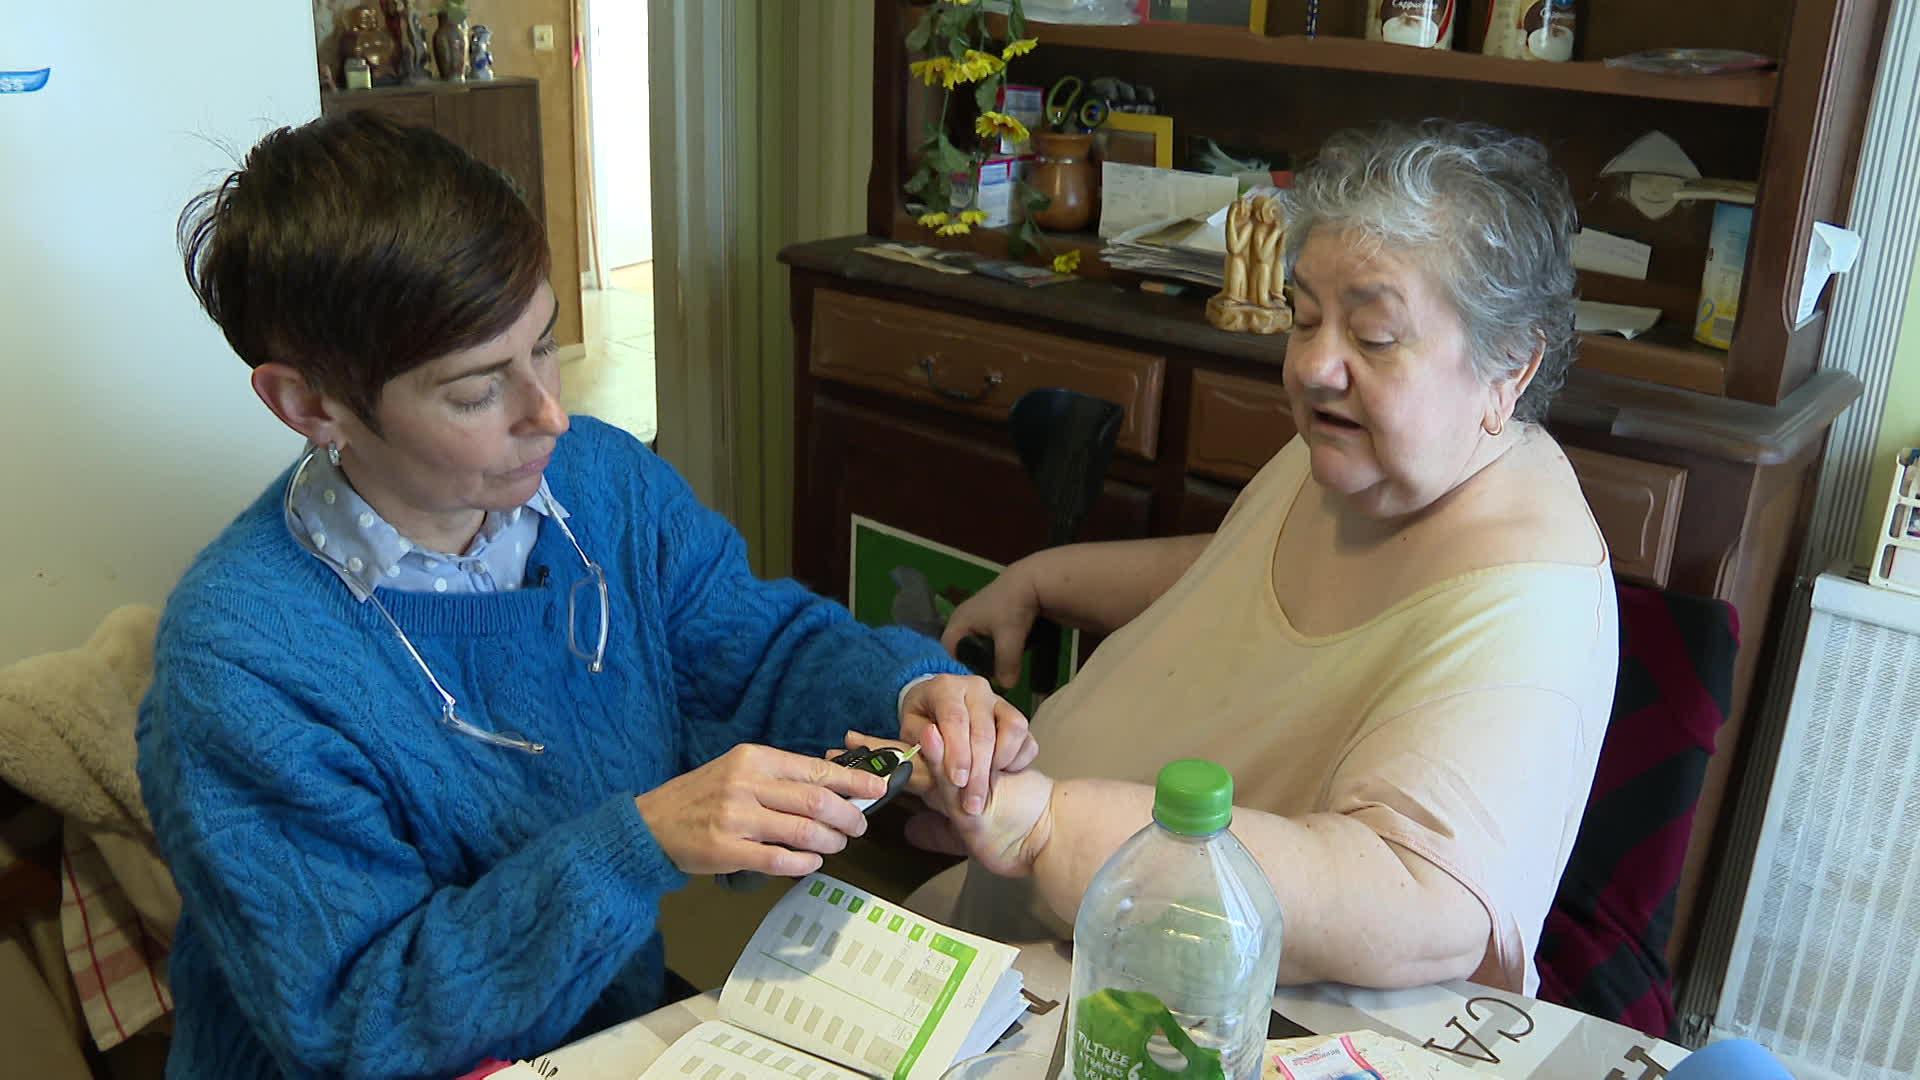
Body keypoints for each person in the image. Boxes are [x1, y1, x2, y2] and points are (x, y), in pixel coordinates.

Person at [136, 111, 1035, 1079]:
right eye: (479, 391)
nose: (549, 414)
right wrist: (637, 843)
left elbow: (761, 651)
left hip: (597, 1037)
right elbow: (360, 1021)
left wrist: (909, 695)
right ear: (310, 405)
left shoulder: (602, 486)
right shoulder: (237, 666)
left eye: (547, 344)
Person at [876, 121, 1618, 996]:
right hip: (1034, 901)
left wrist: (1043, 825)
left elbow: (1419, 899)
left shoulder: (1530, 603)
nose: (1314, 367)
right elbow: (1240, 572)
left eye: (1373, 336)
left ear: (1510, 368)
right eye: (1304, 318)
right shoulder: (1366, 456)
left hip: (1157, 992)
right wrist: (1045, 577)